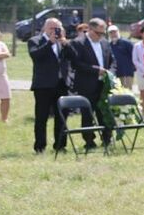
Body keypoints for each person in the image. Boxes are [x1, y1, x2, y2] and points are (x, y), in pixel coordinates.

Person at [64, 18, 114, 149]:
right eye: (99, 33)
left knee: (104, 112)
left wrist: (110, 73)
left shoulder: (104, 43)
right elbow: (77, 64)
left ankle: (107, 138)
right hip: (87, 84)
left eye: (103, 33)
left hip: (104, 84)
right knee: (88, 114)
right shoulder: (78, 43)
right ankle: (89, 141)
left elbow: (112, 60)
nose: (101, 36)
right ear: (90, 30)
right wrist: (95, 70)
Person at [27, 18, 70, 153]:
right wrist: (49, 43)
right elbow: (36, 55)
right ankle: (40, 146)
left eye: (57, 28)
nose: (54, 31)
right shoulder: (35, 40)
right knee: (41, 117)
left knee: (62, 117)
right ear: (45, 28)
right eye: (52, 28)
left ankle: (60, 145)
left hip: (61, 84)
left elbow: (73, 57)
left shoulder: (62, 42)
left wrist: (66, 44)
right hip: (43, 85)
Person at [107, 25, 136, 90]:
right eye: (111, 33)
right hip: (115, 74)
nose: (113, 34)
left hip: (126, 73)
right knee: (116, 93)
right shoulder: (109, 45)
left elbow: (135, 56)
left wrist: (134, 68)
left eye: (114, 32)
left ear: (118, 32)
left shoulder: (126, 43)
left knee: (127, 93)